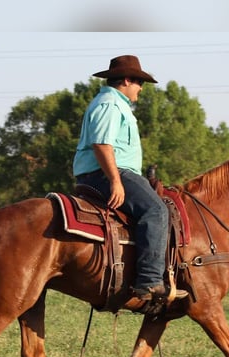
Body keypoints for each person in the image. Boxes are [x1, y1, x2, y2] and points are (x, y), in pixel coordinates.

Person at [73, 55, 187, 303]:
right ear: (126, 80)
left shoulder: (115, 103)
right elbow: (102, 144)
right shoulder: (110, 104)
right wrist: (115, 181)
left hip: (110, 172)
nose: (141, 88)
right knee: (156, 210)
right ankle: (148, 281)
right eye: (139, 82)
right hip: (105, 173)